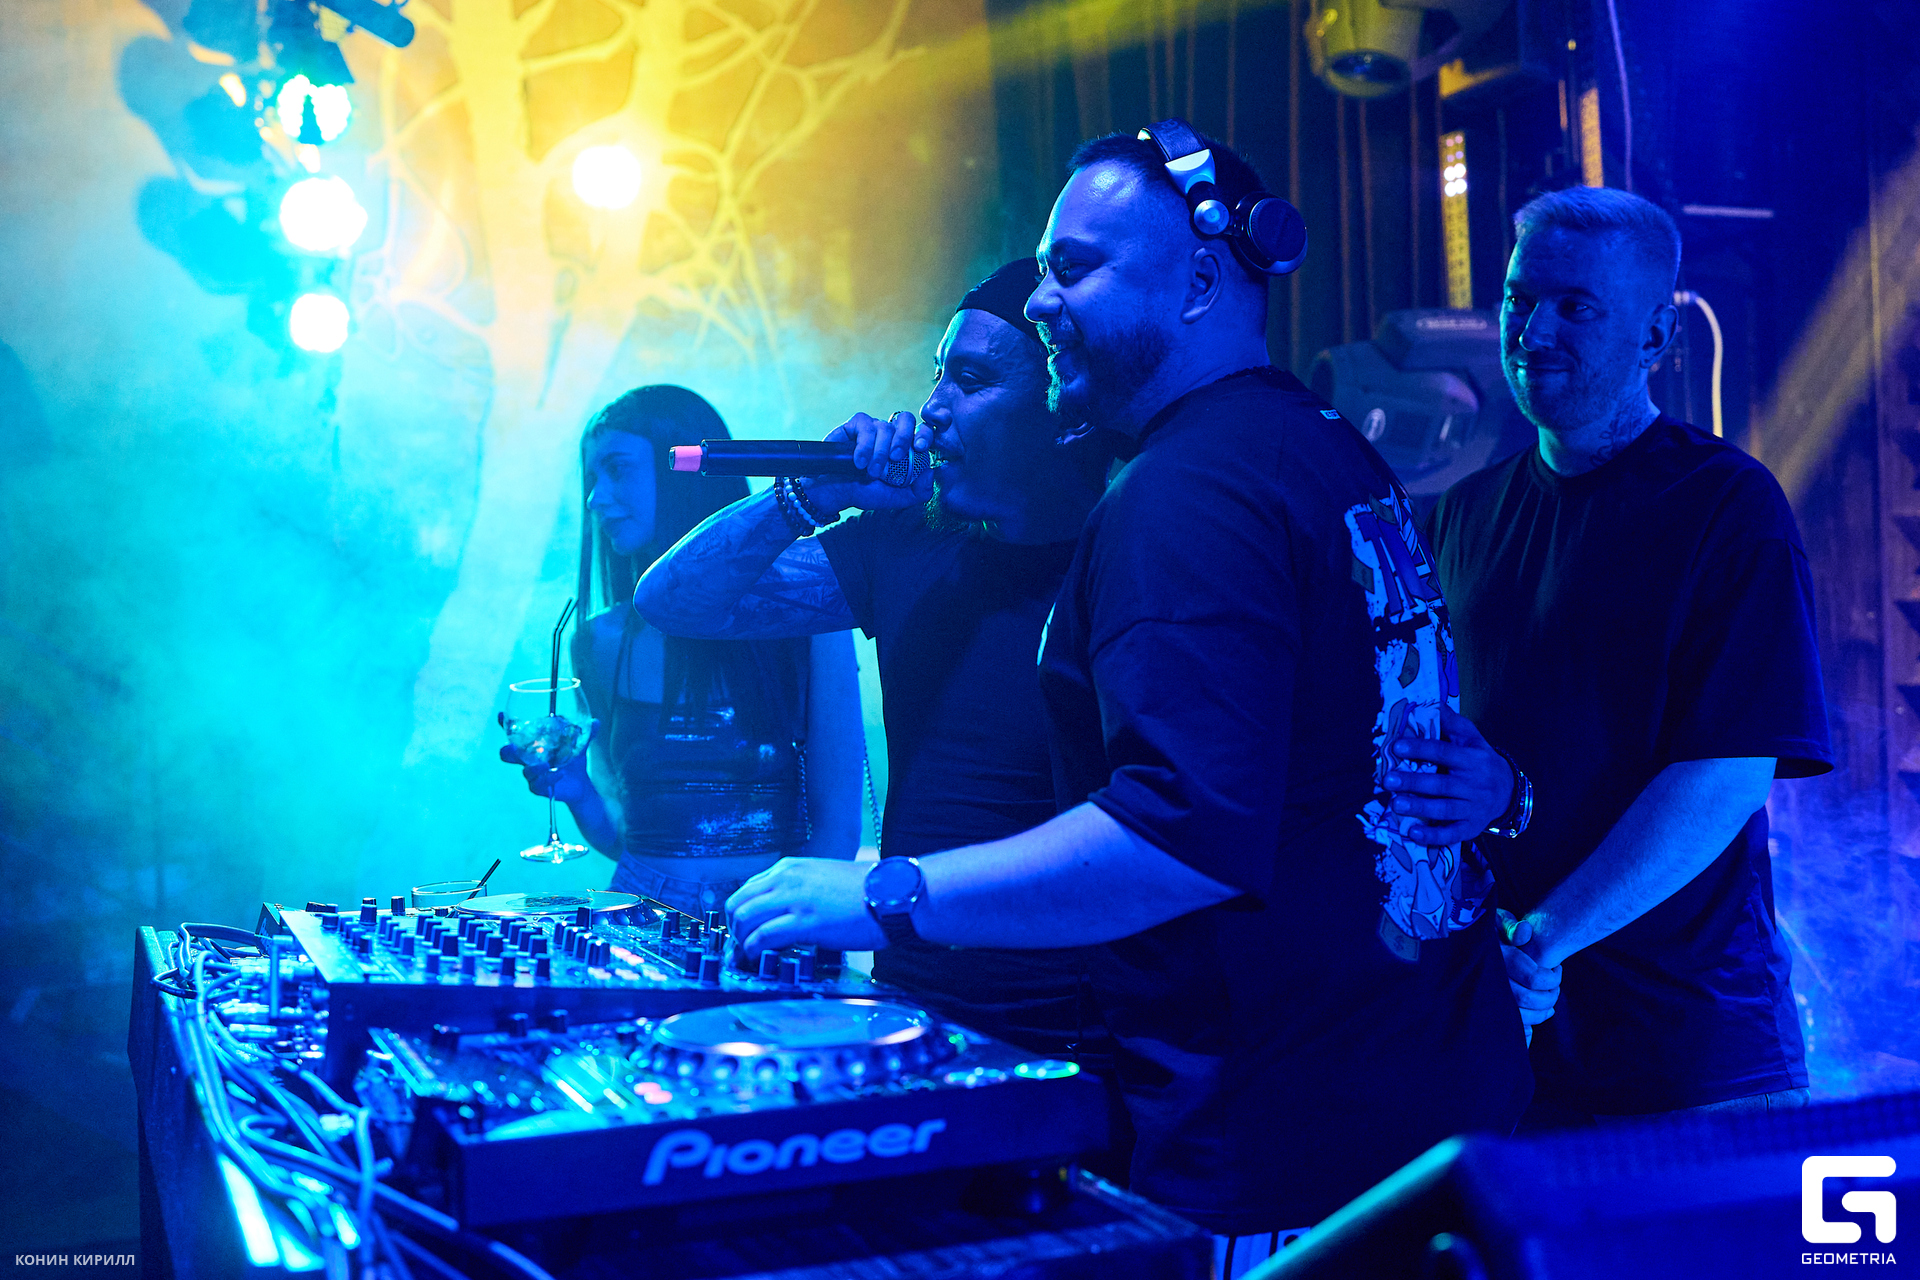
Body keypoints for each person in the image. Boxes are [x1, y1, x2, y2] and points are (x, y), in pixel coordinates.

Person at [723, 126, 1530, 1263]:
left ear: (1201, 280)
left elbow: (1179, 836)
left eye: (1076, 266)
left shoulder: (1188, 490)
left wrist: (884, 894)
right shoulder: (1318, 444)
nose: (1040, 300)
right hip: (1417, 1098)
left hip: (1285, 1138)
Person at [1406, 186, 1833, 1125]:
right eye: (1520, 298)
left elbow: (1726, 776)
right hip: (1518, 1050)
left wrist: (1543, 939)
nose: (1534, 331)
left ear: (1656, 339)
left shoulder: (1725, 506)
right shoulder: (1463, 514)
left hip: (1690, 1060)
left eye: (1577, 307)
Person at [634, 261, 1114, 1062]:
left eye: (970, 381)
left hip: (1080, 1022)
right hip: (917, 1001)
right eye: (938, 374)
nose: (933, 408)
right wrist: (805, 497)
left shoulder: (1127, 554)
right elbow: (673, 603)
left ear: (1063, 411)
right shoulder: (908, 541)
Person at [502, 385, 864, 914]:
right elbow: (629, 836)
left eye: (617, 469)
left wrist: (777, 926)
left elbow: (838, 830)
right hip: (641, 917)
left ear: (682, 473)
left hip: (775, 917)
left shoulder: (807, 618)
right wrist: (579, 793)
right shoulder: (598, 642)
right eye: (591, 477)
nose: (595, 498)